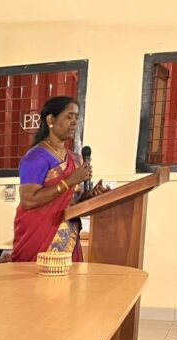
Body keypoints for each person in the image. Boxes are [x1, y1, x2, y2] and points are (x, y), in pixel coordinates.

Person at [12, 96, 107, 262]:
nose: (74, 122)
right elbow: (28, 200)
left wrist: (91, 195)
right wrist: (69, 181)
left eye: (76, 117)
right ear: (51, 120)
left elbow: (73, 200)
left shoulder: (75, 159)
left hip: (67, 235)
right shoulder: (36, 157)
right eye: (69, 117)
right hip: (38, 234)